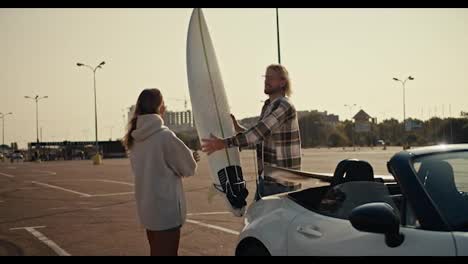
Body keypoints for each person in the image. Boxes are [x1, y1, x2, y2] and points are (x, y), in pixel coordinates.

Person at [201, 64, 302, 200]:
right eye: (265, 77)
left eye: (271, 78)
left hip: (281, 183)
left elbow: (259, 134)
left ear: (283, 82)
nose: (266, 81)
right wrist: (238, 129)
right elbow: (261, 138)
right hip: (267, 179)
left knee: (263, 220)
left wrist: (224, 143)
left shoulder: (284, 106)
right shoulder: (268, 105)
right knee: (257, 219)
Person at [123, 88, 200, 256]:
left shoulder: (134, 138)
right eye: (163, 103)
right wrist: (192, 157)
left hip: (147, 209)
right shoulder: (164, 136)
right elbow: (188, 167)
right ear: (159, 107)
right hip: (166, 211)